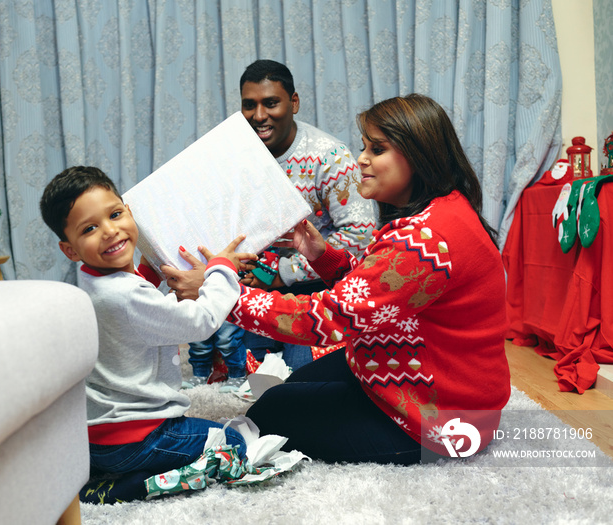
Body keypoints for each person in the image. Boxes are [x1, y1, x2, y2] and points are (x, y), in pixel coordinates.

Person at [175, 94, 511, 464]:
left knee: (268, 416)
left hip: (440, 417)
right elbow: (382, 297)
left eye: (377, 149)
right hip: (417, 376)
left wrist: (219, 293)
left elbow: (325, 318)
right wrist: (322, 255)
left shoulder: (424, 239)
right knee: (282, 393)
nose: (361, 159)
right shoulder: (446, 209)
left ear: (418, 156)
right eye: (364, 146)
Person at [39, 166, 255, 502]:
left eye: (114, 214)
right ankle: (128, 488)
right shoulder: (126, 297)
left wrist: (148, 271)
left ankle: (111, 470)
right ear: (71, 248)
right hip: (142, 437)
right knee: (237, 441)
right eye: (91, 228)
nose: (110, 231)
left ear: (129, 211)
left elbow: (134, 307)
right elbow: (201, 320)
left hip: (97, 439)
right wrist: (221, 271)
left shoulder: (86, 278)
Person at [167, 59, 378, 371]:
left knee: (303, 378)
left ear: (293, 103)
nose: (259, 115)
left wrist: (284, 273)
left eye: (270, 103)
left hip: (316, 289)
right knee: (255, 377)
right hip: (252, 285)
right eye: (249, 105)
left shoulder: (329, 156)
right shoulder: (234, 156)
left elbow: (360, 235)